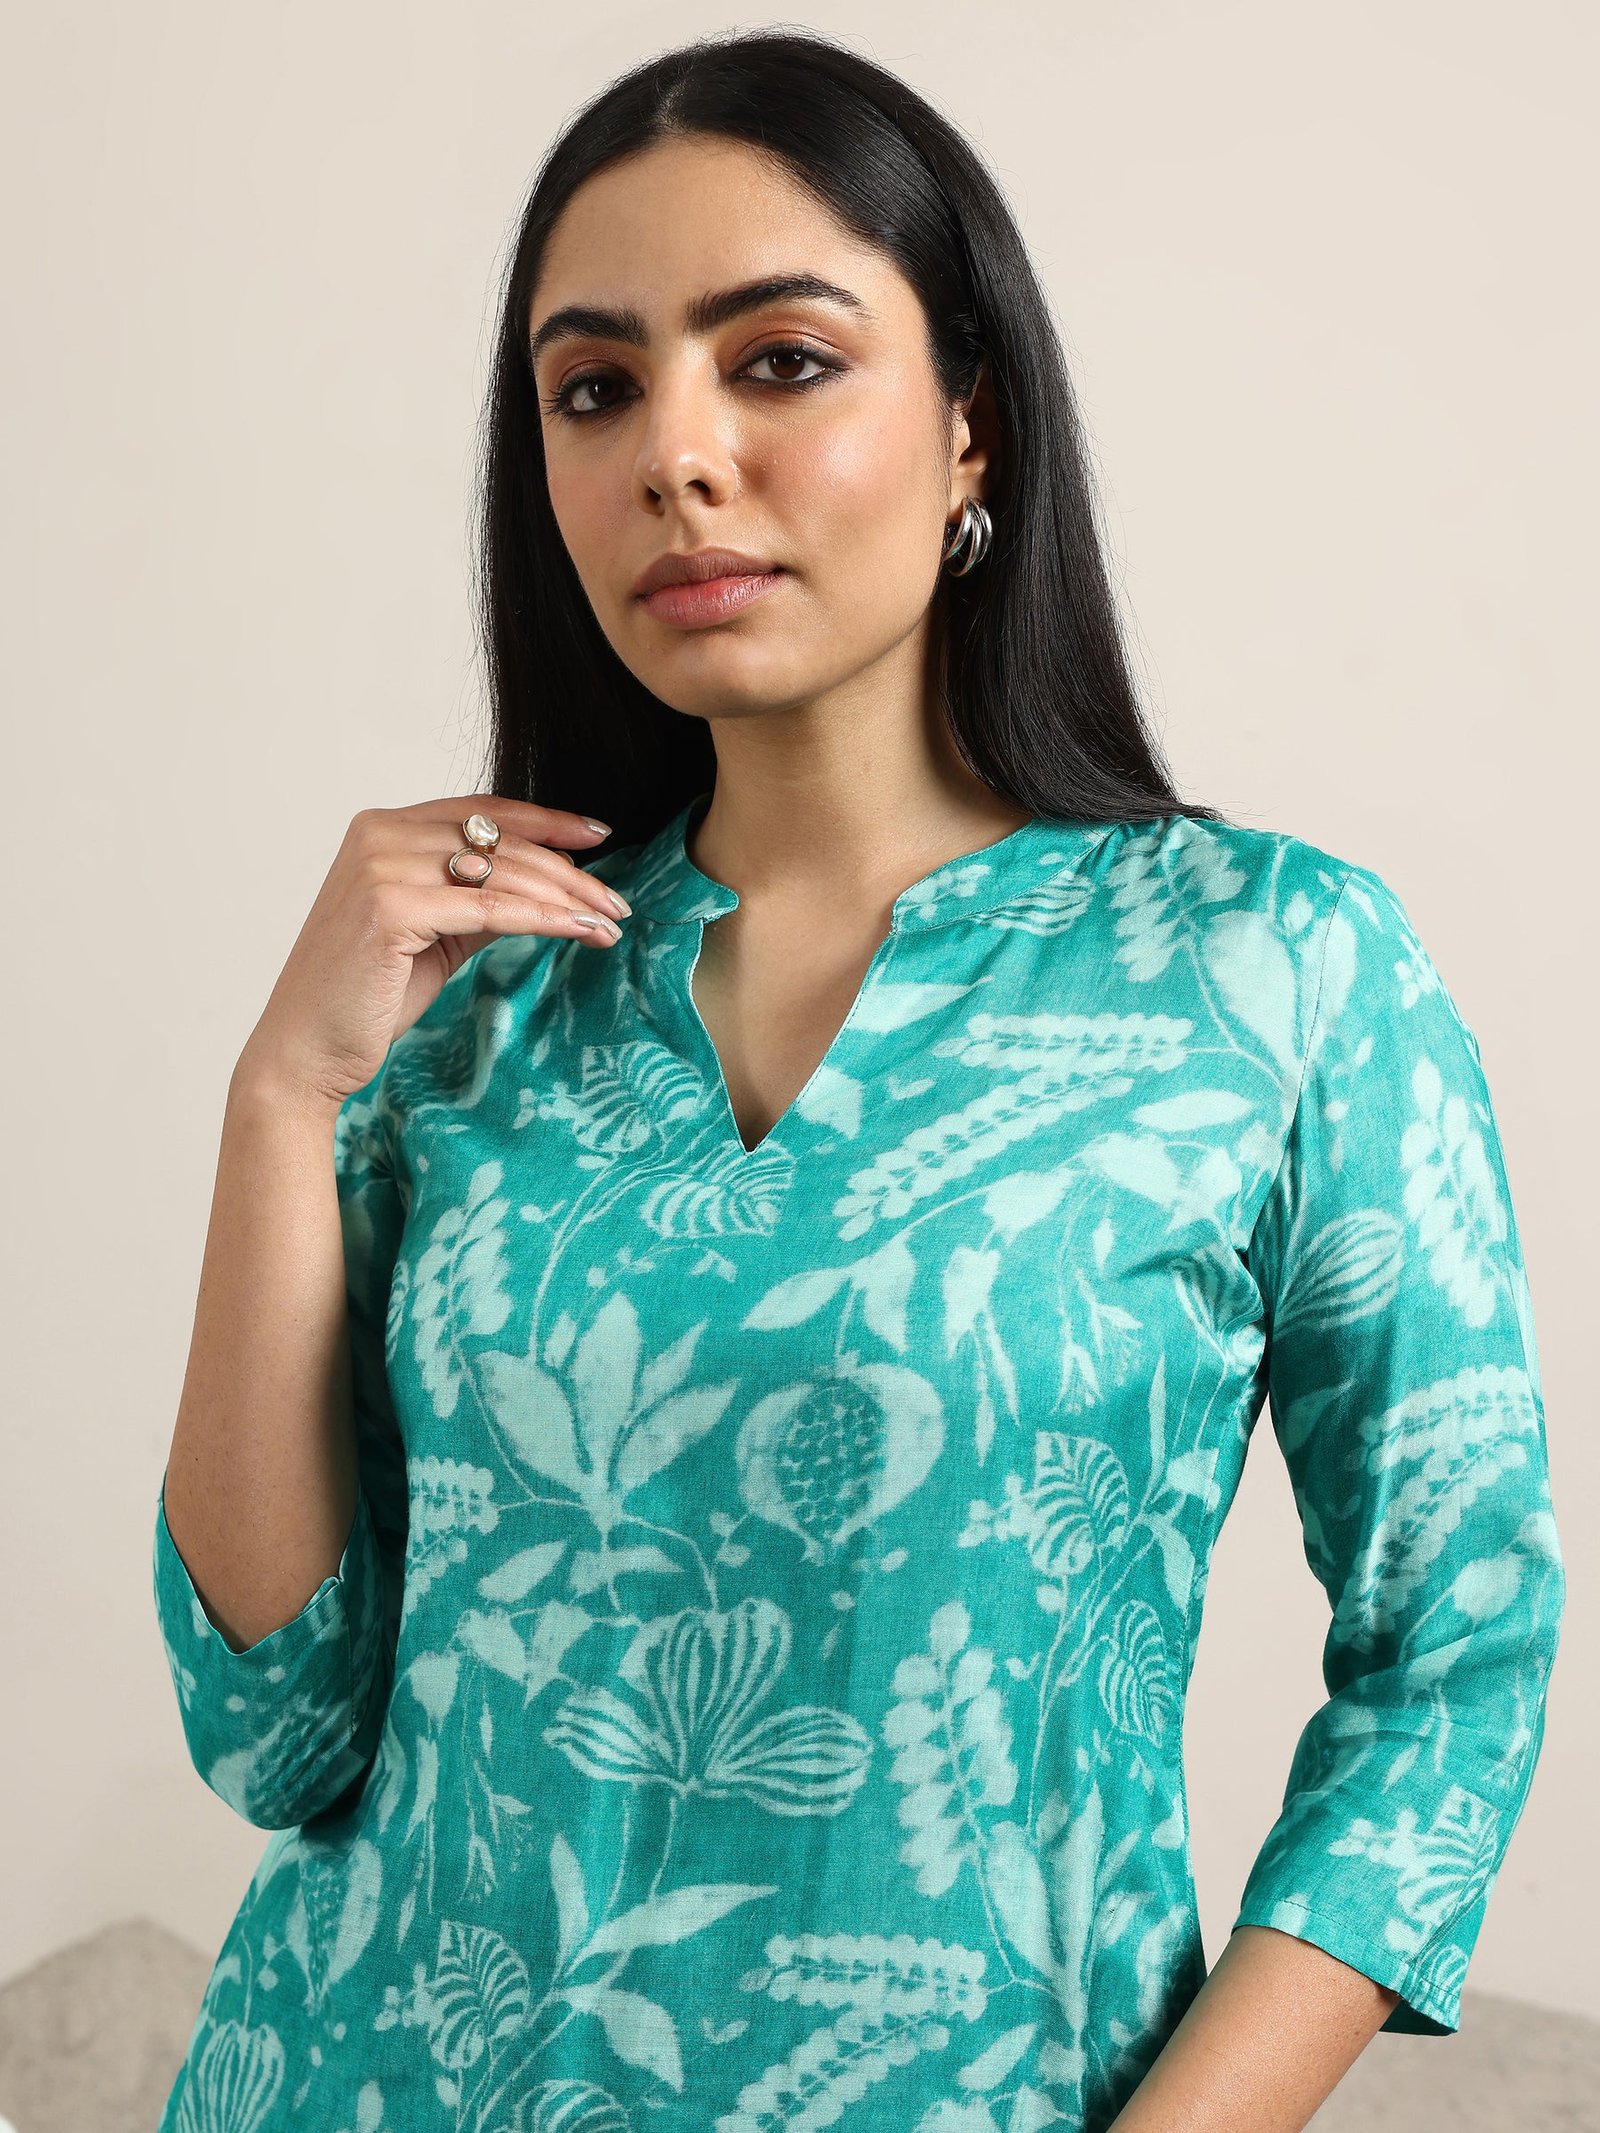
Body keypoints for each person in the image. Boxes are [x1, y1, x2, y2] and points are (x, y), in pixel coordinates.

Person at [150, 28, 1565, 2133]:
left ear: (972, 420)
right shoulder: (467, 1003)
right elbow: (273, 1727)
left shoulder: (1272, 968)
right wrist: (282, 1096)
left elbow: (1456, 1664)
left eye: (781, 361)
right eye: (594, 388)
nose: (676, 454)